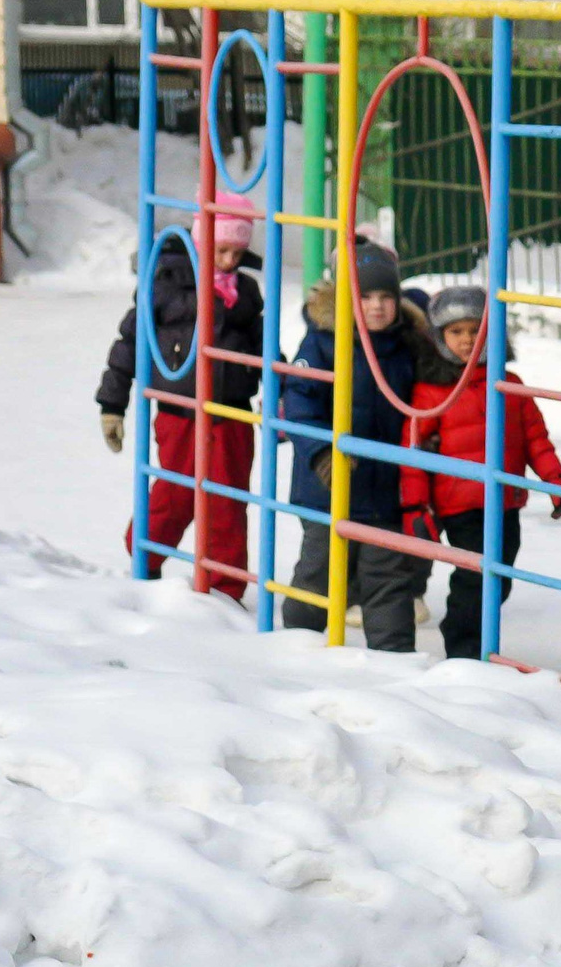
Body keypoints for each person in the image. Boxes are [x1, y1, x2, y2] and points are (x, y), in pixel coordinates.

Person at [96, 192, 263, 601]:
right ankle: (146, 553)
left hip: (231, 413)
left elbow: (262, 346)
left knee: (227, 503)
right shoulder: (167, 283)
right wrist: (112, 405)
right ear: (200, 241)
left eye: (237, 252)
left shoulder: (246, 292)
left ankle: (225, 591)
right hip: (181, 410)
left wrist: (276, 392)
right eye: (221, 249)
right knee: (177, 493)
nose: (228, 260)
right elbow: (130, 341)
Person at [399, 286, 561, 662]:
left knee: (501, 576)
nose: (466, 340)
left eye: (475, 331)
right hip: (460, 503)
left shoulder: (509, 383)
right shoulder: (431, 390)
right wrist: (415, 507)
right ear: (440, 336)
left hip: (505, 500)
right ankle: (464, 648)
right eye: (456, 332)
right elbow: (412, 453)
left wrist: (554, 481)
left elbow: (535, 438)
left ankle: (473, 639)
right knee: (476, 578)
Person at [278, 239, 434, 651]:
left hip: (385, 492)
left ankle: (394, 658)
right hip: (328, 488)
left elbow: (431, 394)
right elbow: (298, 403)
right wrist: (321, 453)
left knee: (389, 579)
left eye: (387, 296)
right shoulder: (322, 343)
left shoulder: (408, 344)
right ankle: (295, 648)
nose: (378, 306)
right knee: (321, 572)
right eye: (365, 297)